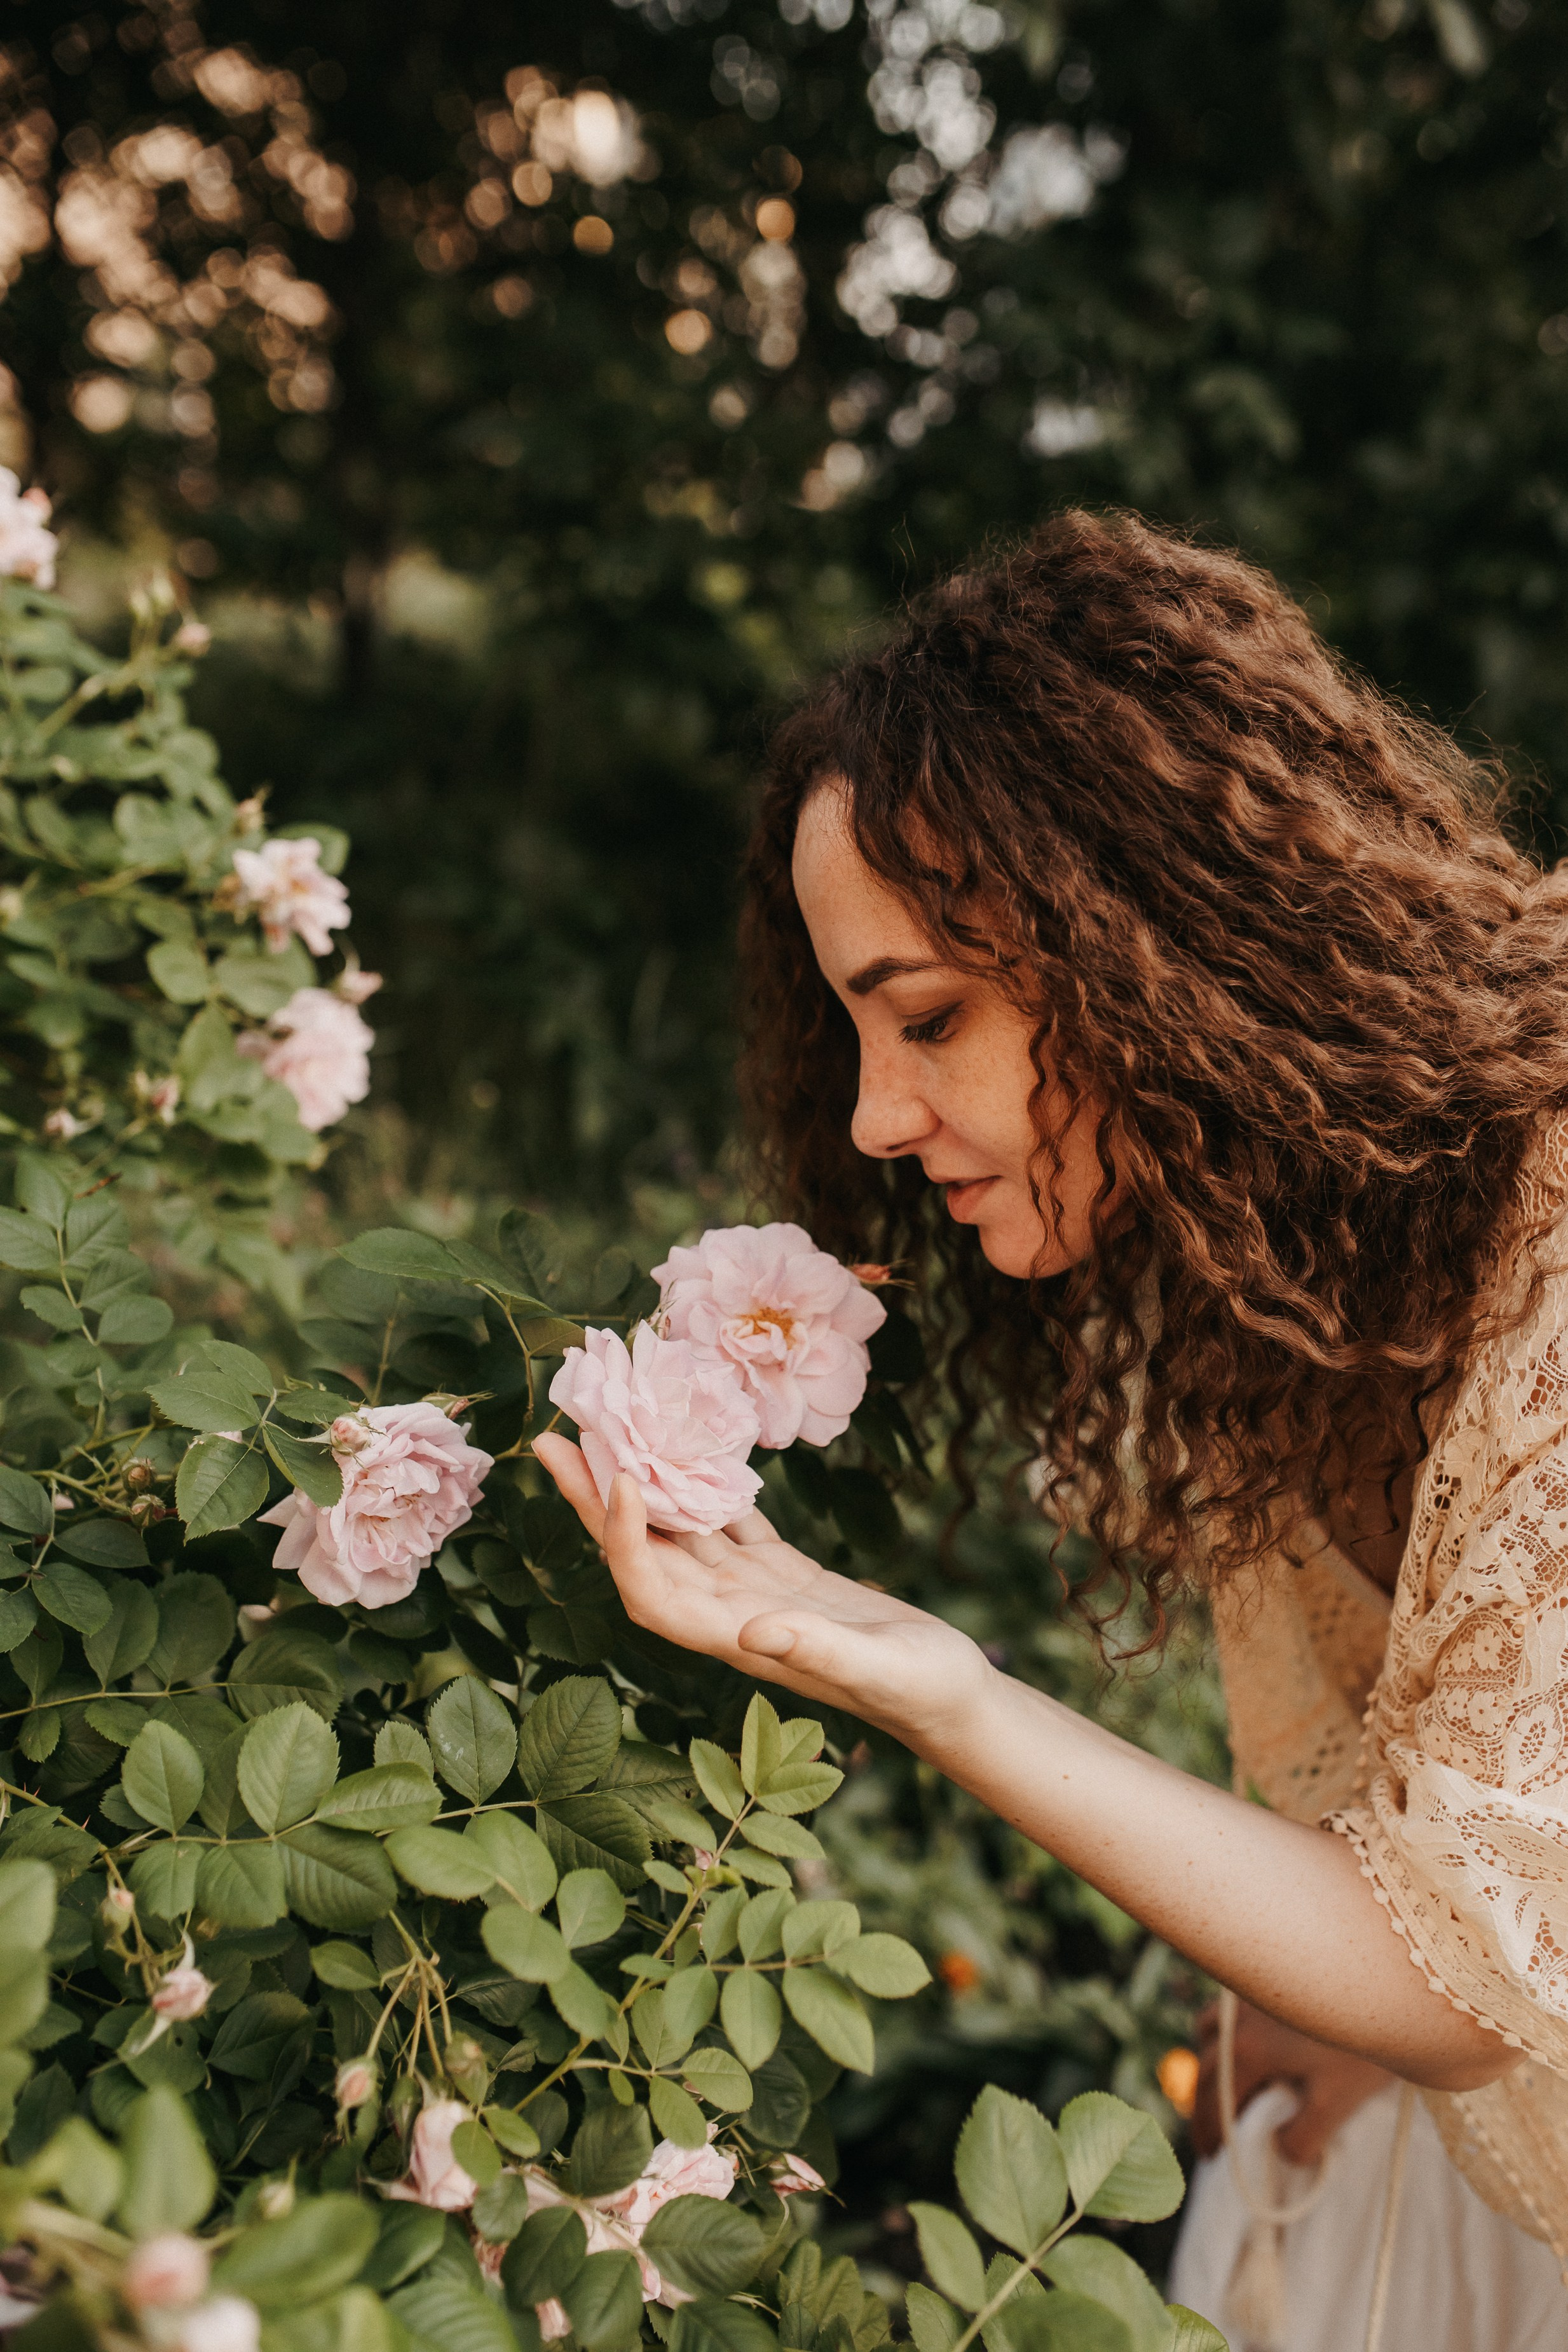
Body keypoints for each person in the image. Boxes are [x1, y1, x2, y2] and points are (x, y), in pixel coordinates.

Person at [535, 510, 1568, 2349]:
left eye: (925, 1017)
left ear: (1158, 946)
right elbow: (1401, 1890)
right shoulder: (1262, 1281)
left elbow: (1471, 1962)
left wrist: (945, 1687)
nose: (867, 1115)